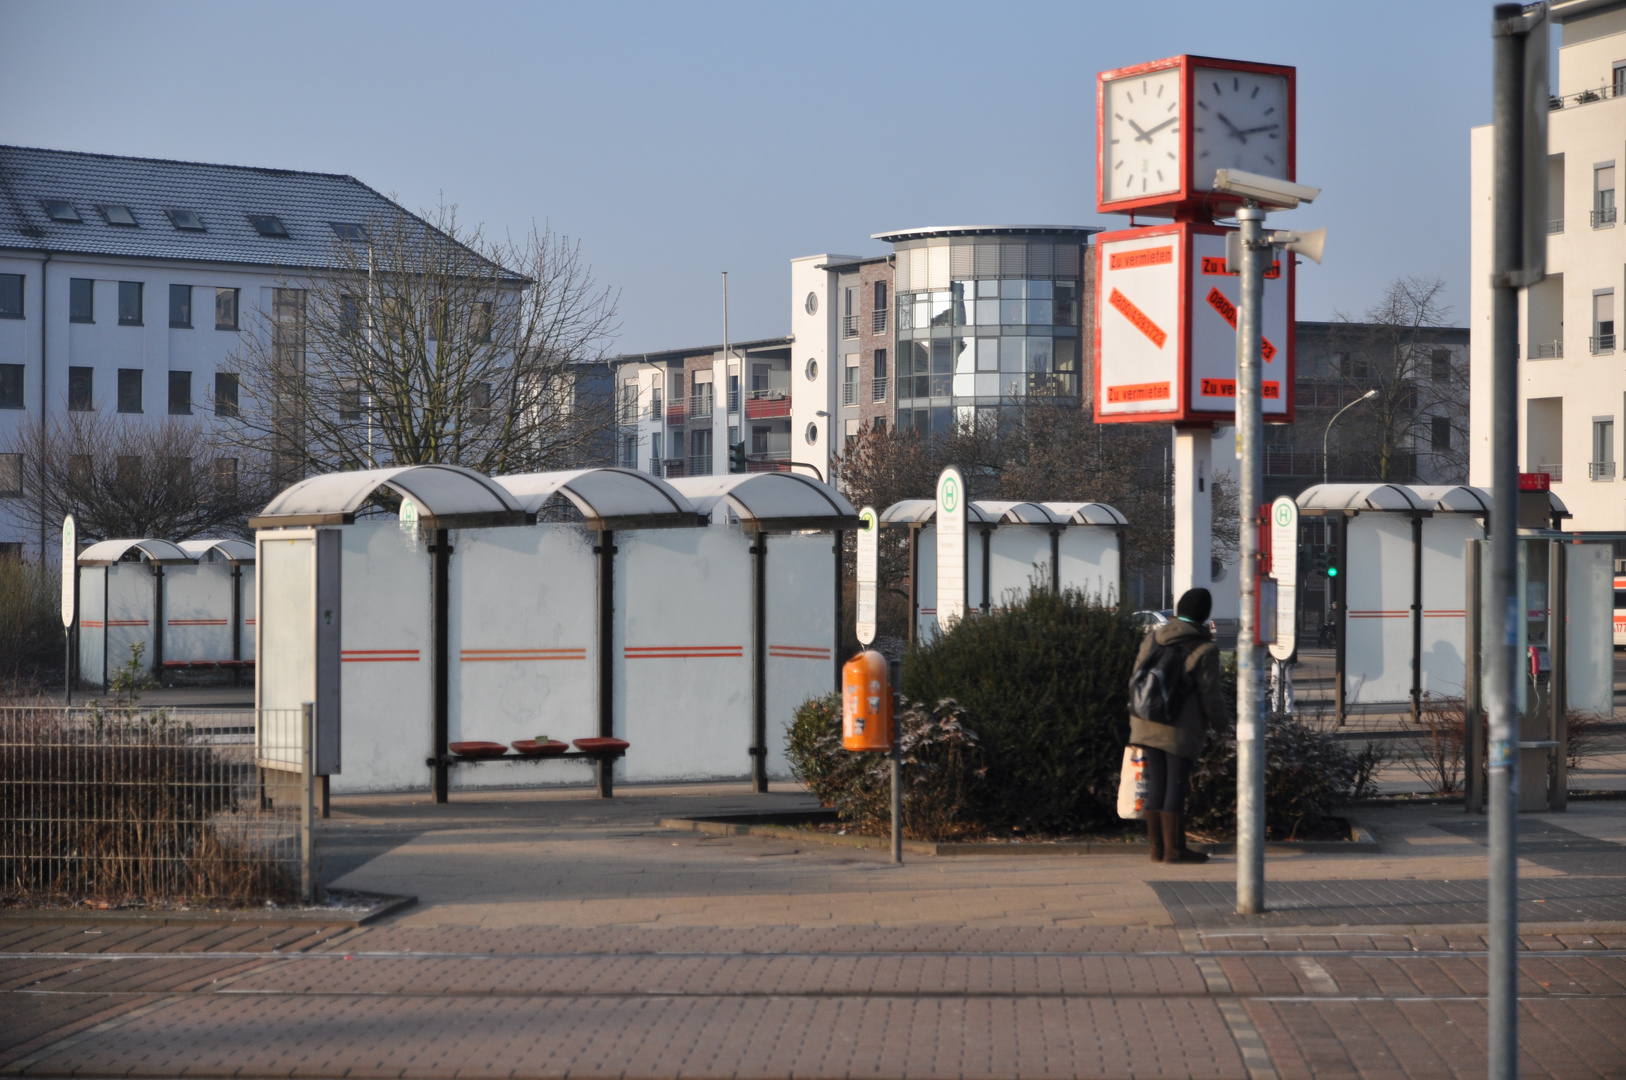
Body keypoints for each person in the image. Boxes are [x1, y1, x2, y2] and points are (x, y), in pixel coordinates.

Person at [1129, 587, 1227, 864]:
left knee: (1157, 782)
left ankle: (1157, 849)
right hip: (1179, 727)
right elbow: (1211, 695)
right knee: (1176, 784)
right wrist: (1222, 726)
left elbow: (1137, 676)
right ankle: (1174, 850)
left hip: (1145, 720)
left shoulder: (1153, 638)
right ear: (1204, 615)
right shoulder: (1204, 648)